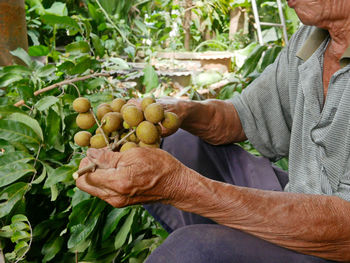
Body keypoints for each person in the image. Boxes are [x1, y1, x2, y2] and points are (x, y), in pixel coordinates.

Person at [76, 0, 350, 262]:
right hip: (299, 197)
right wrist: (185, 110)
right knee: (177, 144)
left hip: (338, 238)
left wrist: (181, 187)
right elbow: (246, 115)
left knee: (191, 251)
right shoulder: (312, 40)